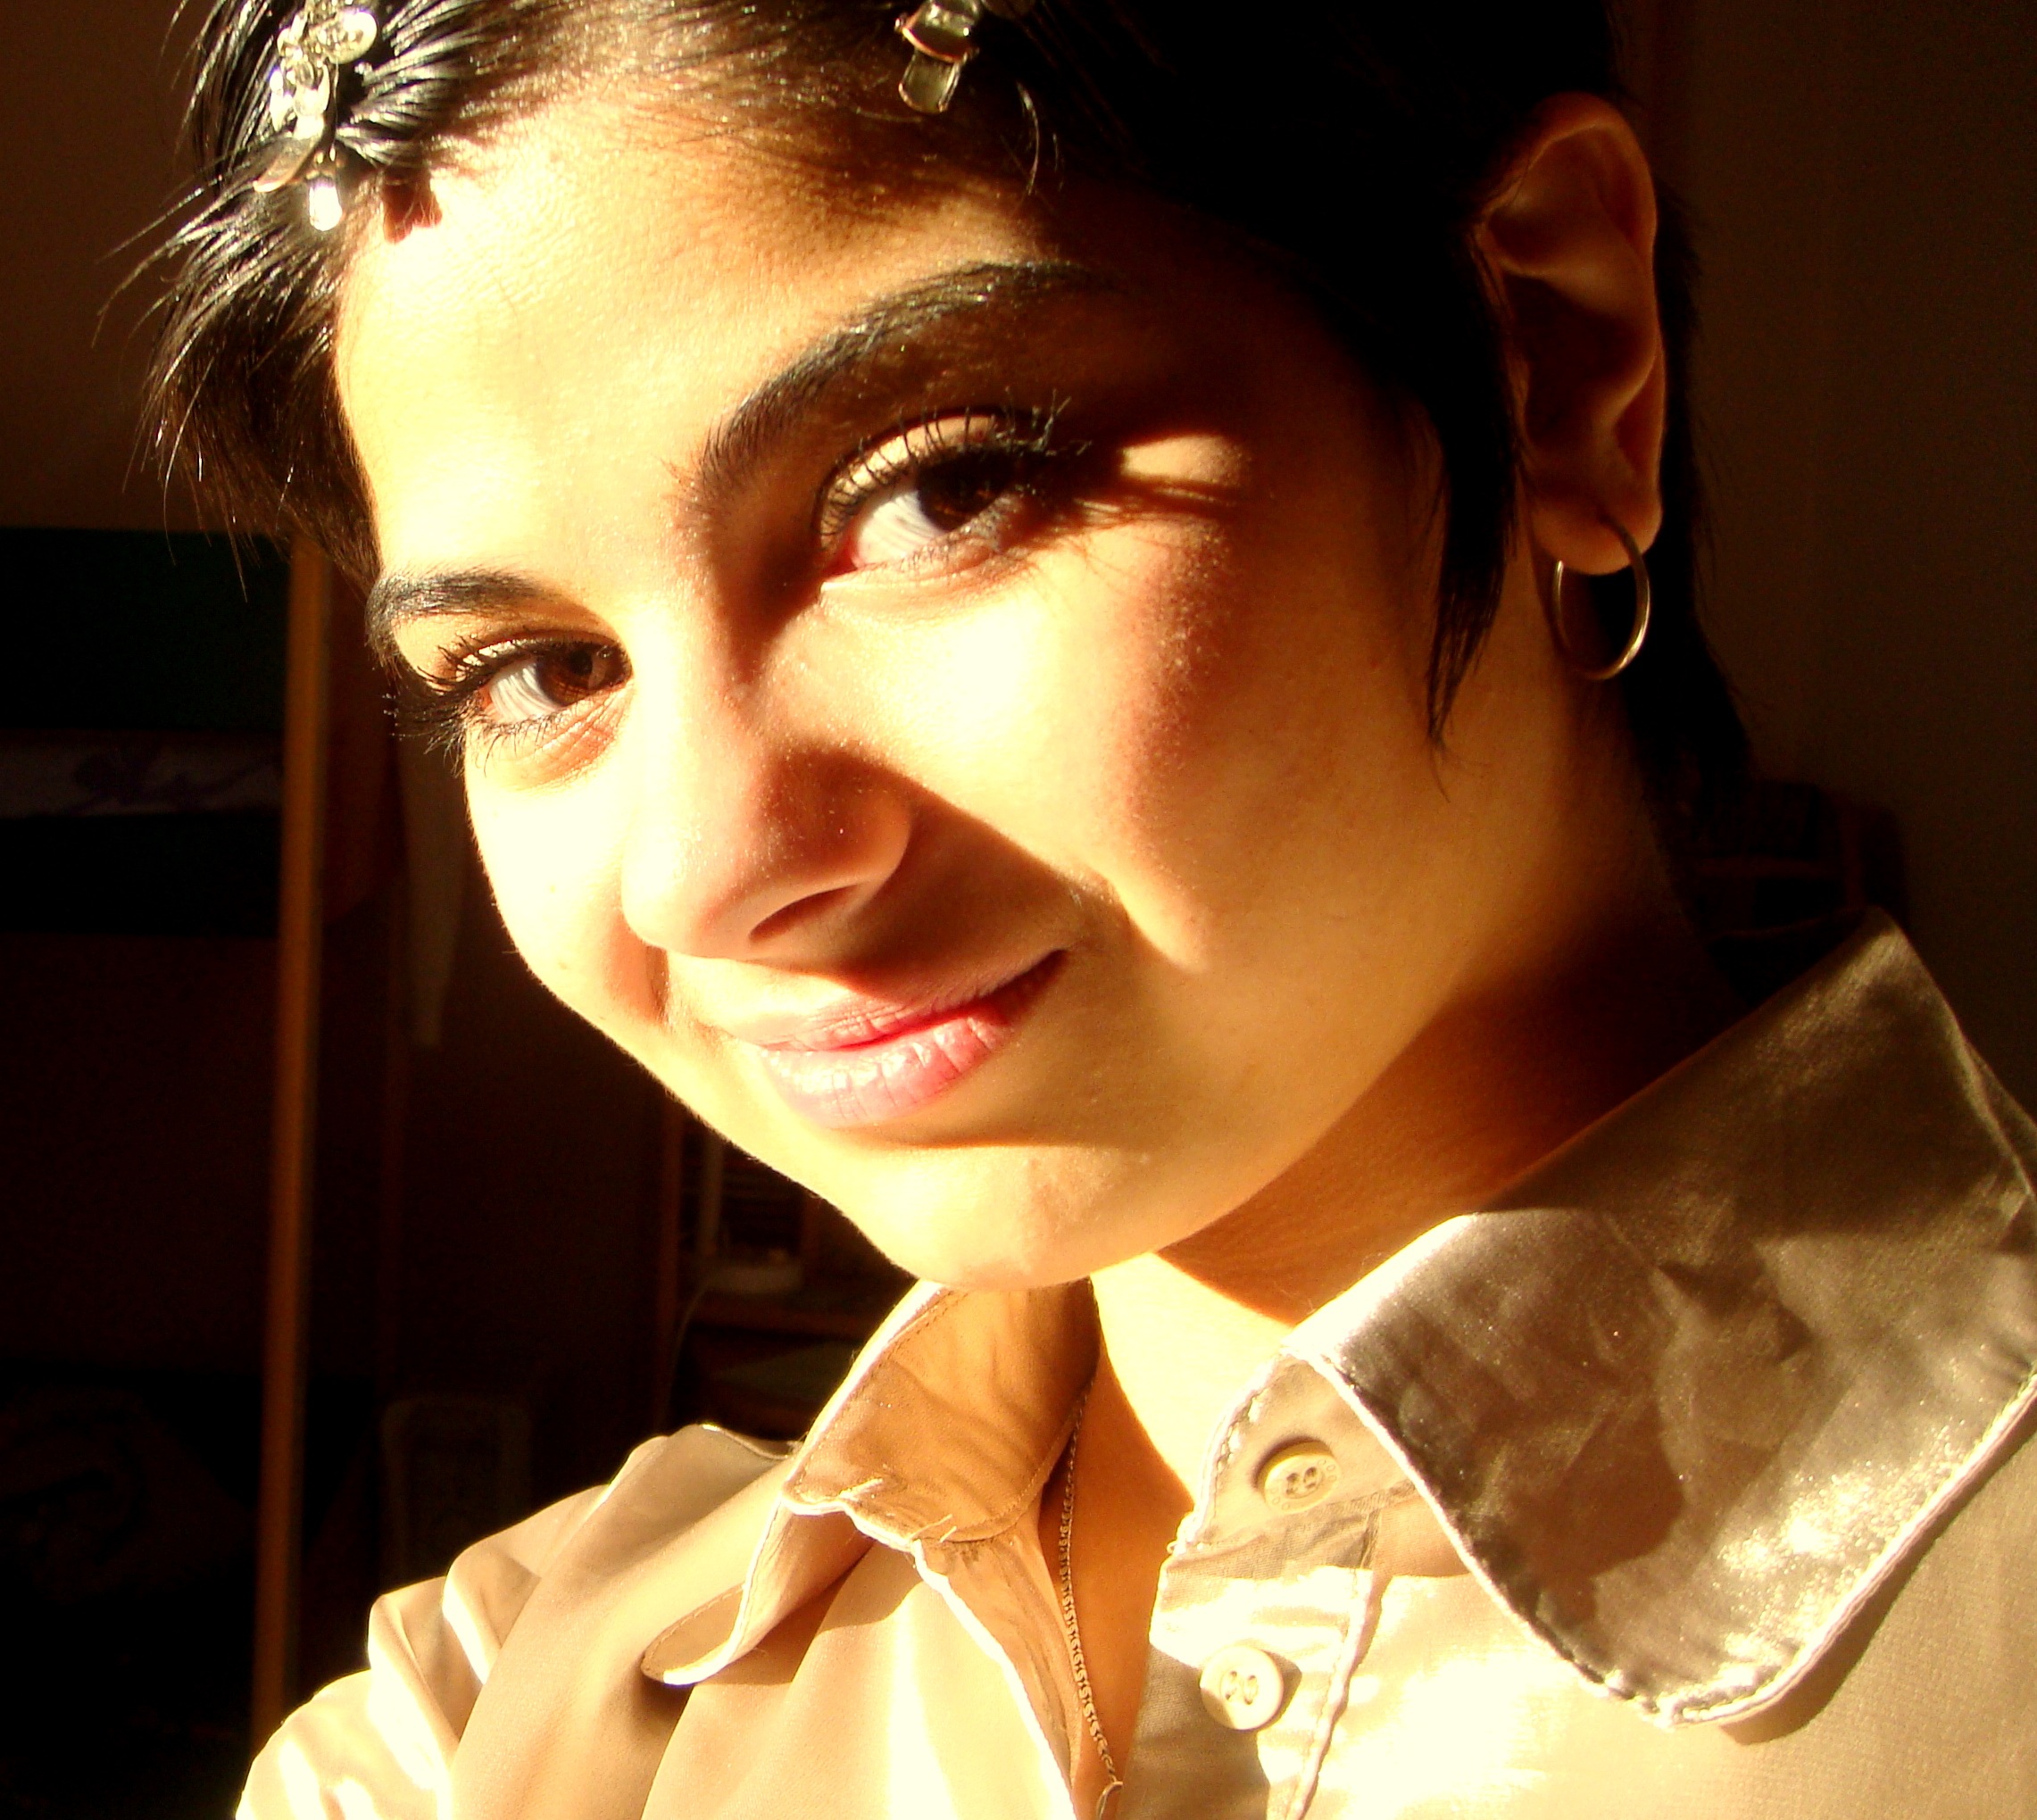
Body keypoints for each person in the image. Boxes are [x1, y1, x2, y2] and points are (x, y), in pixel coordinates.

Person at [153, 2, 2036, 1815]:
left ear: (1543, 358)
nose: (703, 870)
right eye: (540, 673)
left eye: (940, 491)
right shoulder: (483, 1734)